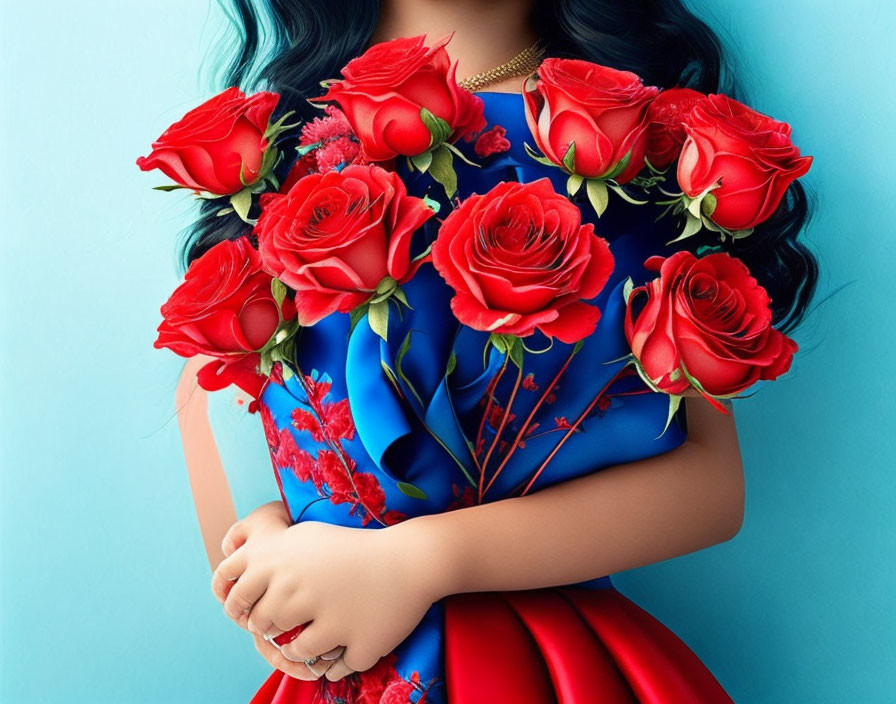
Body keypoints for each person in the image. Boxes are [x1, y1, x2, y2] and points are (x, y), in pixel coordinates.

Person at [172, 0, 818, 701]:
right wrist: (262, 550)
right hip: (352, 652)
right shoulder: (279, 151)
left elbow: (709, 490)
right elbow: (215, 393)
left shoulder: (629, 149)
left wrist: (422, 560)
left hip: (550, 662)